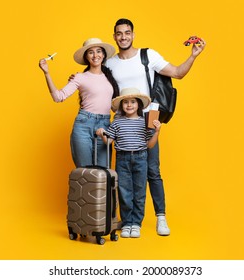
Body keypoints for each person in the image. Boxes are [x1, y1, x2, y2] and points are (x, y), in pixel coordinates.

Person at [105, 18, 206, 236]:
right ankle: (129, 219)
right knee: (125, 173)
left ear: (133, 34)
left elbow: (178, 72)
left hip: (149, 115)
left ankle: (161, 217)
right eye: (119, 33)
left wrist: (193, 56)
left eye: (127, 33)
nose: (123, 37)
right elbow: (97, 81)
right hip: (124, 119)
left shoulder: (147, 55)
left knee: (151, 169)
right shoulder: (110, 63)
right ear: (114, 37)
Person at [38, 38, 119, 168]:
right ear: (86, 57)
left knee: (104, 173)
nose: (95, 55)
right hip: (83, 125)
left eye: (98, 51)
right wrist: (46, 73)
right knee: (84, 173)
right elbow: (58, 97)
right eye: (91, 52)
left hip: (104, 126)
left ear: (103, 55)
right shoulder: (80, 77)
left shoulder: (110, 77)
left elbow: (117, 105)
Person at [96, 87, 161, 238]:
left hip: (140, 158)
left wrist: (157, 132)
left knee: (139, 192)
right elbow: (109, 141)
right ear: (121, 106)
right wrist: (102, 134)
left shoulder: (145, 123)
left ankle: (136, 224)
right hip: (122, 159)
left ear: (139, 104)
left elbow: (150, 145)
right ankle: (126, 223)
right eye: (125, 102)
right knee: (124, 192)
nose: (129, 105)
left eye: (132, 102)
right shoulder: (117, 122)